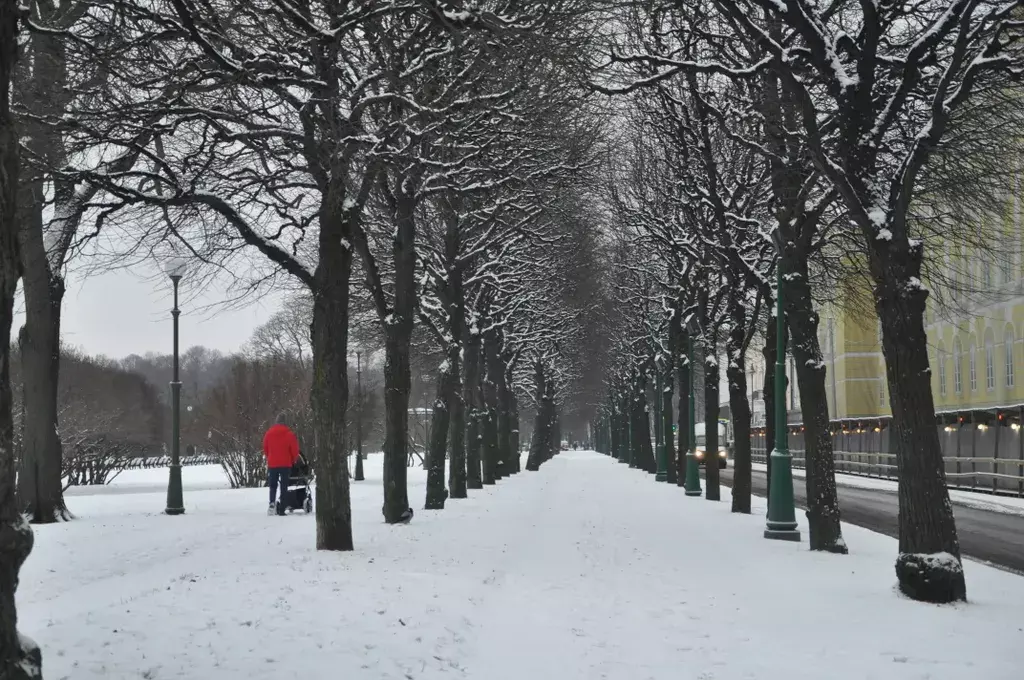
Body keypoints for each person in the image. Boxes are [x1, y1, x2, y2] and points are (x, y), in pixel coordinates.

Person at [263, 413, 300, 516]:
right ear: (285, 422)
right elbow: (295, 450)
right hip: (285, 464)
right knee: (284, 486)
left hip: (272, 464)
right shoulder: (289, 434)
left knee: (273, 485)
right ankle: (282, 508)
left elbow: (265, 447)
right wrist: (293, 460)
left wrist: (269, 457)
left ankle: (271, 504)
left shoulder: (268, 433)